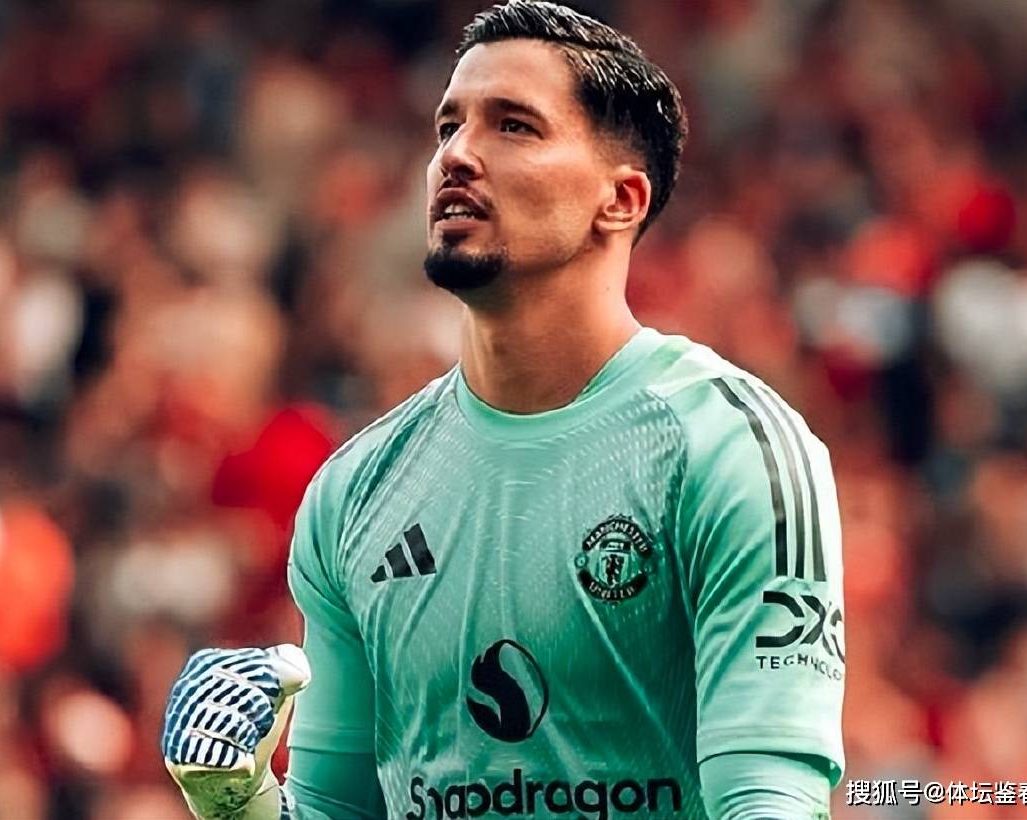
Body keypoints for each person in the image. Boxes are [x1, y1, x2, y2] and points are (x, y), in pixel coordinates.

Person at [162, 2, 845, 818]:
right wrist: (236, 799)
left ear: (620, 199)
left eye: (513, 126)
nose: (456, 154)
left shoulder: (731, 449)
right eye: (448, 127)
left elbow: (770, 799)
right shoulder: (353, 493)